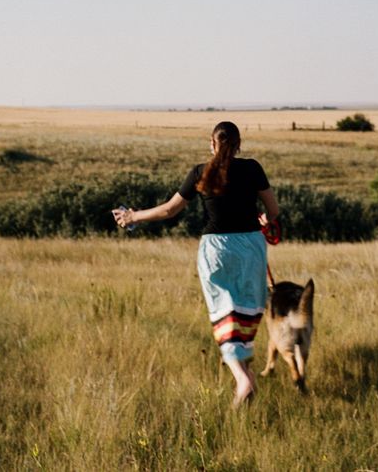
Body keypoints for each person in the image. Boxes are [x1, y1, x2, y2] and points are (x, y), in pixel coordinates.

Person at [112, 120, 280, 408]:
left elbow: (169, 210)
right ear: (239, 144)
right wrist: (266, 220)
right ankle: (245, 372)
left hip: (216, 249)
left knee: (223, 311)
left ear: (212, 143)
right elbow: (273, 210)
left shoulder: (200, 172)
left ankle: (242, 377)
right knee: (246, 312)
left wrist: (132, 217)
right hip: (252, 247)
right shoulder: (253, 168)